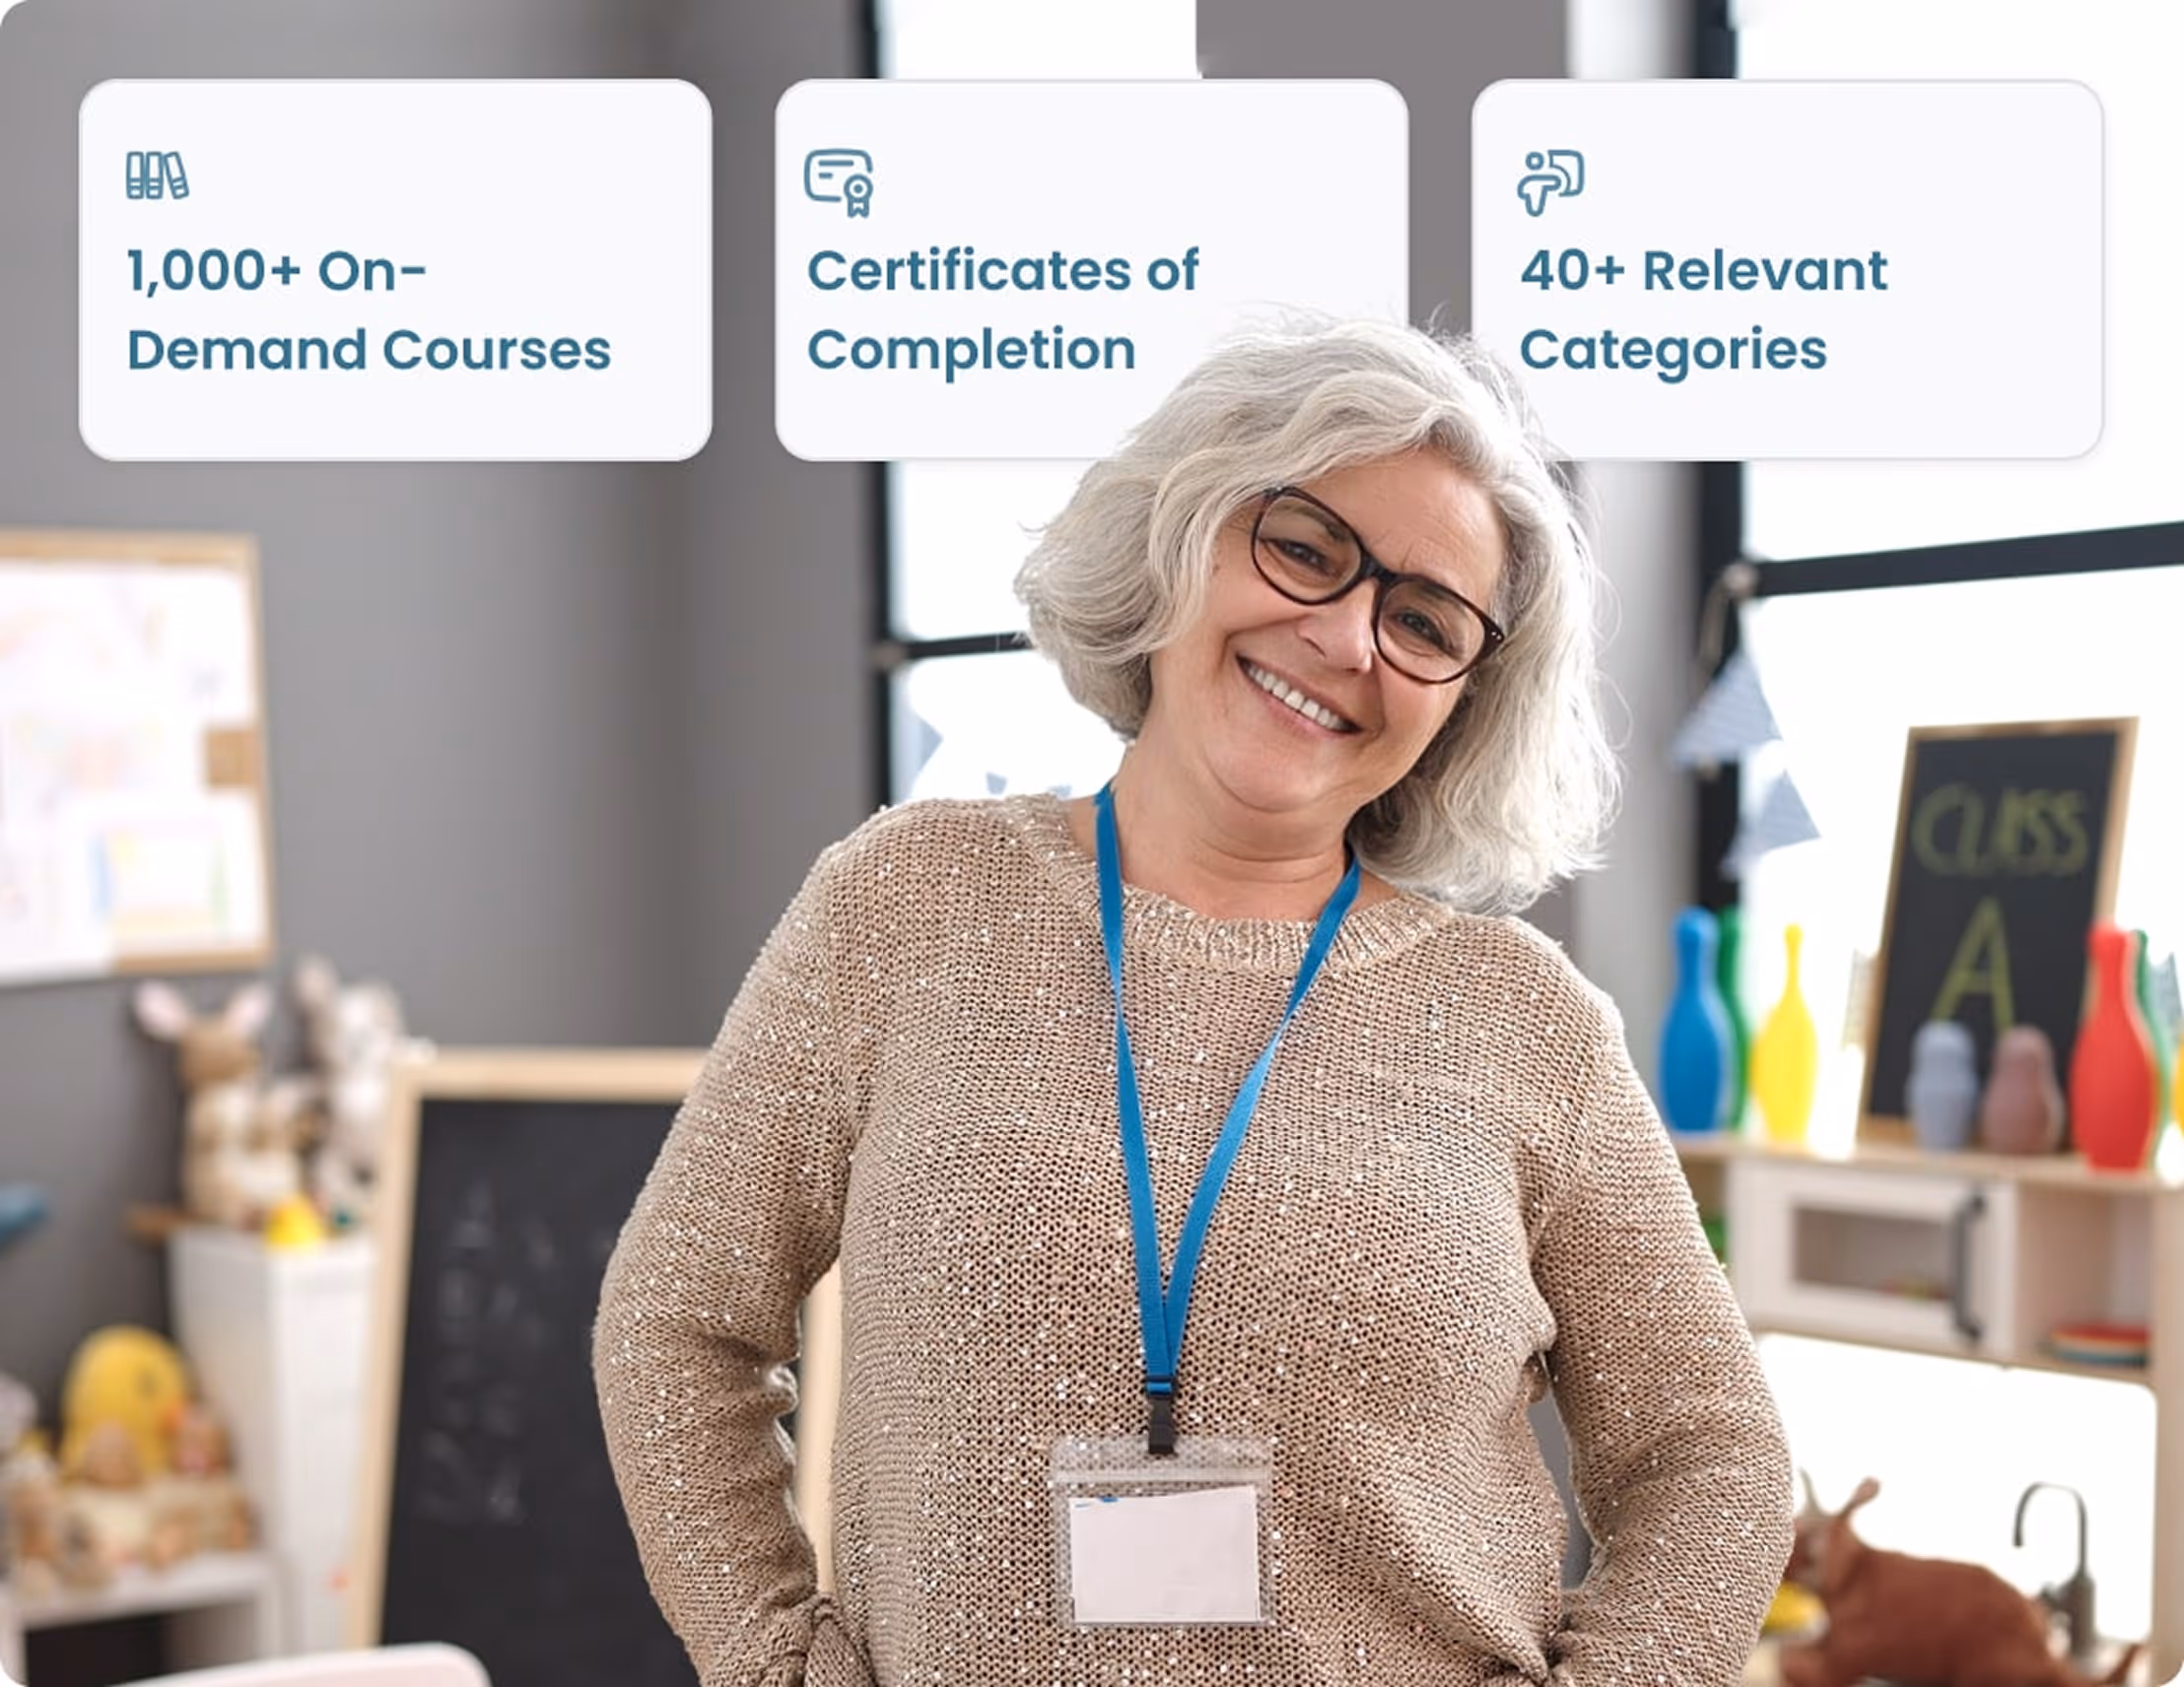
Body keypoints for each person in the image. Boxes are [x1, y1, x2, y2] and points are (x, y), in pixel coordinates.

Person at [594, 319, 1795, 1687]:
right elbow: (675, 1320)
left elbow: (1714, 1450)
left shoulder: (1531, 1024)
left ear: (1467, 699)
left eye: (1423, 621)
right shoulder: (905, 905)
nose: (1345, 635)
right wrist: (772, 1663)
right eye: (1306, 545)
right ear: (1185, 530)